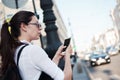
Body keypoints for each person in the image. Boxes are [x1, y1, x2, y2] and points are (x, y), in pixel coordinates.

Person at [0, 10, 72, 80]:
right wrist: (68, 56)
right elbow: (65, 78)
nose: (40, 28)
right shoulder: (32, 50)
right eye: (37, 24)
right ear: (24, 26)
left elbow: (37, 73)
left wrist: (57, 57)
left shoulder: (16, 50)